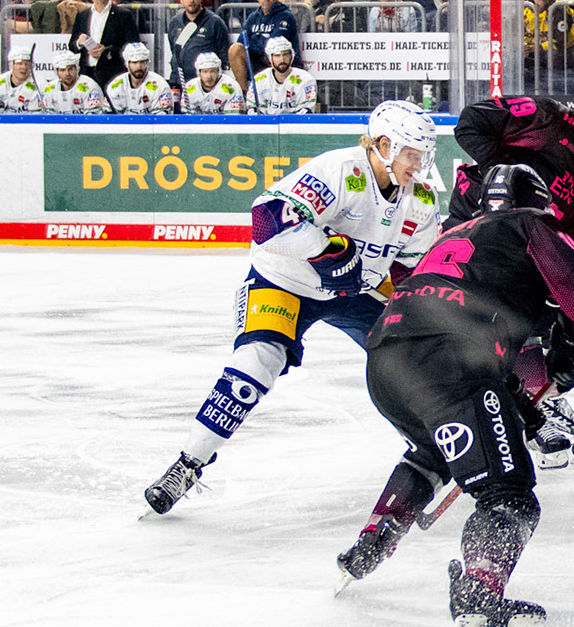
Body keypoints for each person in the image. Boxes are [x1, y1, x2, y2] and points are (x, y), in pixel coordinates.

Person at [339, 164, 574, 627]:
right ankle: (479, 601)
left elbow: (472, 309)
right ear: (539, 202)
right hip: (450, 361)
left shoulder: (458, 234)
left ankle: (375, 537)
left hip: (386, 361)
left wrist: (517, 403)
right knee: (508, 495)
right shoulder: (531, 225)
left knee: (436, 449)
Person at [142, 102, 442, 515]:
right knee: (253, 367)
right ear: (385, 146)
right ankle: (187, 464)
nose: (420, 164)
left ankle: (442, 446)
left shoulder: (421, 200)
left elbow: (412, 270)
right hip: (284, 281)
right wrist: (326, 254)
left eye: (425, 155)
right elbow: (267, 218)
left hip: (356, 291)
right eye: (413, 153)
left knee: (417, 358)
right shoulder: (340, 171)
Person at [446, 76, 574, 259]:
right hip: (469, 225)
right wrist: (500, 174)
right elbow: (472, 120)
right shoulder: (547, 118)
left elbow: (572, 240)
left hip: (515, 250)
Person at [250, 35, 317, 113]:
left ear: (291, 56)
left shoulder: (306, 80)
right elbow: (253, 112)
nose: (282, 59)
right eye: (277, 55)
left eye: (285, 54)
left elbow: (305, 113)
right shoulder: (259, 80)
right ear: (269, 58)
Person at [105, 42, 176, 113]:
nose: (139, 67)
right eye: (134, 62)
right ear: (127, 64)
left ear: (147, 62)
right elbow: (109, 118)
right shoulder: (116, 86)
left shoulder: (160, 85)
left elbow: (163, 120)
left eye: (142, 62)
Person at [39, 48, 108, 113]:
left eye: (71, 69)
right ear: (56, 72)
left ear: (77, 68)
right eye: (62, 70)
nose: (67, 73)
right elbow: (46, 117)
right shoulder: (49, 89)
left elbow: (94, 119)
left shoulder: (90, 87)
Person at [180, 50, 247, 113]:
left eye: (212, 71)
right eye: (205, 72)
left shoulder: (231, 87)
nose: (209, 76)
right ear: (199, 72)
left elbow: (234, 119)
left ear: (218, 71)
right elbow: (188, 119)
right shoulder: (190, 88)